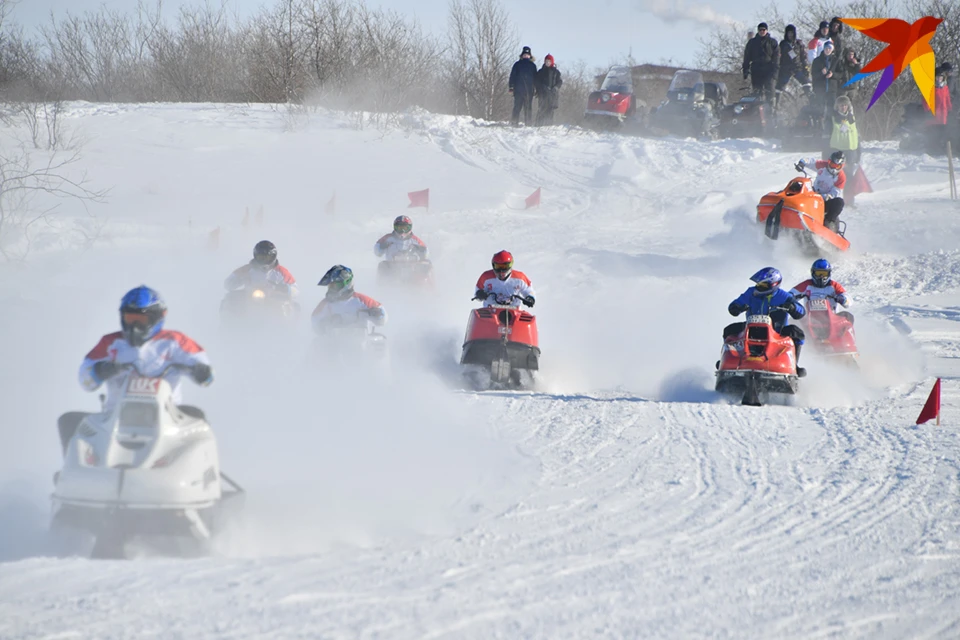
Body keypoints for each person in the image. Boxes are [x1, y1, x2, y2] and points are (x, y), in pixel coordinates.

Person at [60, 286, 214, 454]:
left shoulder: (176, 341)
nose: (134, 326)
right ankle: (73, 471)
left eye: (141, 320)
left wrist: (201, 372)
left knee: (198, 420)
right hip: (114, 416)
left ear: (157, 318)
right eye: (130, 318)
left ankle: (199, 471)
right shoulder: (110, 342)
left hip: (169, 416)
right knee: (69, 421)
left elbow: (206, 375)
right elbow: (85, 381)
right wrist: (101, 370)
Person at [724, 267, 807, 375]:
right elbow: (735, 304)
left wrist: (792, 307)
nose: (758, 287)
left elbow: (801, 311)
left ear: (774, 285)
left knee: (797, 333)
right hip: (751, 328)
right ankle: (726, 361)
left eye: (762, 285)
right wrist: (736, 307)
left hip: (777, 331)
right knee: (729, 330)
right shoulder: (751, 292)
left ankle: (794, 365)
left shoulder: (783, 296)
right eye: (758, 285)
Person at [311, 265, 386, 333]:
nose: (331, 289)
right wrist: (323, 323)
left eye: (334, 286)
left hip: (363, 339)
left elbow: (383, 315)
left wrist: (376, 313)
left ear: (346, 284)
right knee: (316, 343)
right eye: (330, 286)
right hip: (335, 341)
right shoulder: (326, 303)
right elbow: (314, 320)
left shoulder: (362, 300)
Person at [224, 240, 299, 299]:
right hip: (248, 299)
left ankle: (286, 319)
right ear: (255, 256)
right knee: (229, 299)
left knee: (291, 306)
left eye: (267, 257)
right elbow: (227, 284)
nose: (264, 260)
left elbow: (295, 290)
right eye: (261, 257)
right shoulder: (246, 269)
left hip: (274, 301)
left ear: (273, 256)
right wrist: (240, 279)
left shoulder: (281, 271)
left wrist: (285, 288)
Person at [789, 258, 854, 324]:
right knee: (792, 321)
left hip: (833, 321)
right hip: (809, 320)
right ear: (813, 273)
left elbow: (848, 302)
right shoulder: (806, 284)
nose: (821, 276)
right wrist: (790, 300)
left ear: (829, 273)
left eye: (824, 273)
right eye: (819, 273)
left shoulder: (834, 285)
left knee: (848, 317)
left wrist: (843, 299)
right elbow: (791, 294)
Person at [796, 151, 847, 230]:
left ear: (841, 166)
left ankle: (828, 223)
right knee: (797, 185)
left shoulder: (841, 177)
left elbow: (835, 193)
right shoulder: (823, 165)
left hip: (824, 201)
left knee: (839, 202)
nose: (833, 167)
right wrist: (802, 163)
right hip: (812, 193)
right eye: (832, 164)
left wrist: (823, 196)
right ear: (829, 162)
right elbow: (810, 161)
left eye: (836, 166)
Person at [743, 23, 780, 103]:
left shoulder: (772, 42)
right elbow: (746, 57)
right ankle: (757, 111)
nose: (762, 31)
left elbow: (776, 58)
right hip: (756, 69)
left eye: (763, 30)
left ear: (766, 30)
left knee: (770, 91)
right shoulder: (752, 42)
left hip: (769, 69)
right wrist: (745, 70)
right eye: (760, 30)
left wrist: (775, 72)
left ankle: (771, 110)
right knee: (757, 92)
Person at [776, 24, 812, 103]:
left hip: (797, 67)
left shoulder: (799, 44)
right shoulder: (783, 44)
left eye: (792, 33)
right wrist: (779, 69)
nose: (790, 35)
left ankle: (812, 101)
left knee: (806, 82)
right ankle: (775, 106)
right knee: (779, 86)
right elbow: (779, 57)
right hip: (786, 68)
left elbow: (803, 57)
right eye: (788, 33)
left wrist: (806, 68)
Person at [811, 40, 839, 122]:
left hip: (832, 89)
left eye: (829, 48)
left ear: (832, 50)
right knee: (820, 109)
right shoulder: (817, 61)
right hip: (820, 89)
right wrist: (821, 73)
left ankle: (830, 127)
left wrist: (832, 75)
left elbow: (841, 74)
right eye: (826, 48)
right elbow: (813, 74)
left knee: (832, 109)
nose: (827, 50)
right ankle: (818, 127)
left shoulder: (836, 60)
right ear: (823, 49)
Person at [509, 46, 538, 126]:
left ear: (530, 56)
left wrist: (536, 88)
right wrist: (511, 86)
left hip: (529, 90)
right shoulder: (517, 65)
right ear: (522, 55)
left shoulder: (532, 66)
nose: (526, 56)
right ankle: (514, 122)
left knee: (528, 108)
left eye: (527, 55)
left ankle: (528, 123)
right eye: (524, 54)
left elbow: (536, 78)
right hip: (518, 90)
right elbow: (512, 76)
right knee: (517, 107)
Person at [535, 54, 563, 126]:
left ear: (552, 62)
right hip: (543, 94)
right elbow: (536, 82)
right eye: (546, 61)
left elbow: (559, 81)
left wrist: (556, 88)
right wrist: (542, 87)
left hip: (552, 95)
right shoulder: (541, 71)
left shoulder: (556, 72)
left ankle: (549, 125)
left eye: (549, 61)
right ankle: (538, 125)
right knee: (541, 109)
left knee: (550, 111)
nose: (547, 63)